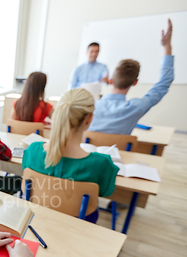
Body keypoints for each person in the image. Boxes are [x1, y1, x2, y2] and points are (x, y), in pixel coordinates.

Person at [22, 89, 119, 223]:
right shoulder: (101, 164)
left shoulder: (33, 150)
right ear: (89, 118)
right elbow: (105, 192)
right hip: (78, 226)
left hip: (36, 219)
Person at [89, 19, 174, 135]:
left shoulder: (92, 107)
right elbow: (164, 82)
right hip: (116, 152)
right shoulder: (137, 107)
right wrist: (167, 47)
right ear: (135, 82)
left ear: (111, 80)